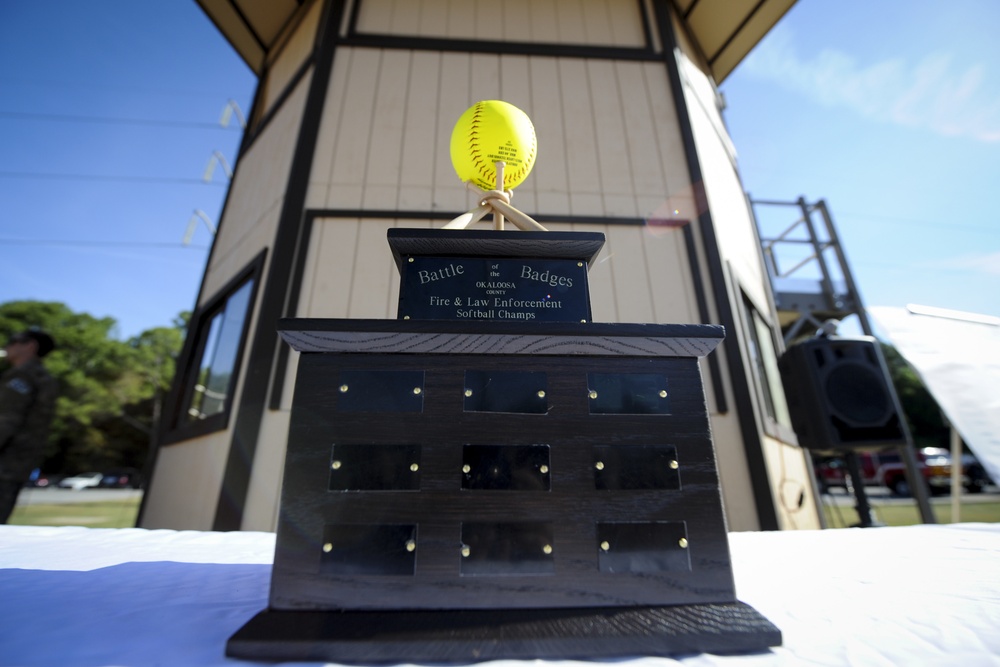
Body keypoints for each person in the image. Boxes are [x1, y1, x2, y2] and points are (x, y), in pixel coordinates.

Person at [0, 329, 58, 523]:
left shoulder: (22, 377)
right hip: (18, 463)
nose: (7, 347)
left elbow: (6, 420)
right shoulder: (44, 378)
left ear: (30, 346)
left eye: (13, 341)